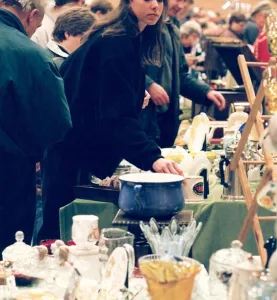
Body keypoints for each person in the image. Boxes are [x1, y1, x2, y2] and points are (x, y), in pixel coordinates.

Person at [40, 0, 182, 239]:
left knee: (65, 232)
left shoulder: (123, 37)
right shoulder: (117, 41)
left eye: (160, 0)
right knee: (60, 236)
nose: (155, 6)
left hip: (72, 147)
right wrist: (152, 158)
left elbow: (105, 98)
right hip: (71, 152)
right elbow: (115, 118)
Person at [0, 0, 72, 252]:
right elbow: (56, 123)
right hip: (9, 175)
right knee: (8, 258)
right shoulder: (30, 53)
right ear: (31, 16)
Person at [139, 0, 226, 148]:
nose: (181, 6)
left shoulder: (172, 28)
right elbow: (121, 67)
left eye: (186, 2)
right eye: (178, 0)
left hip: (164, 123)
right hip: (141, 121)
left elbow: (180, 75)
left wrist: (205, 91)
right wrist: (149, 85)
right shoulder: (141, 25)